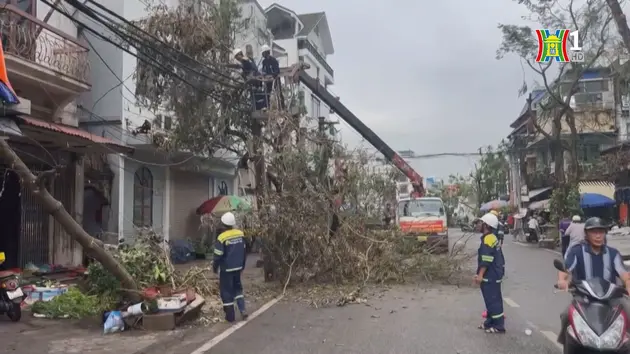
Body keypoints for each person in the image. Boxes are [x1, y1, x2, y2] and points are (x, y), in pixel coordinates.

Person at [556, 216, 630, 343]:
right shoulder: (577, 252)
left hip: (611, 299)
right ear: (586, 234)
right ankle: (567, 344)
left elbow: (625, 276)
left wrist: (628, 286)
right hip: (584, 298)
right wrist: (562, 281)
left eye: (601, 232)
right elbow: (565, 270)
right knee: (565, 315)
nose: (598, 236)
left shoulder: (613, 253)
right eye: (594, 232)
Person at [213, 212, 248, 322]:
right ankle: (242, 310)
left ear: (223, 224)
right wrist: (243, 266)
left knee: (226, 292)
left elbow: (218, 255)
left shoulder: (222, 237)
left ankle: (230, 317)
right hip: (238, 267)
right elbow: (245, 251)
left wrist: (215, 267)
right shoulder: (240, 234)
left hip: (226, 269)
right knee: (238, 289)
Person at [474, 212, 506, 334]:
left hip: (491, 274)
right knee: (490, 299)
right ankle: (490, 322)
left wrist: (480, 275)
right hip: (494, 272)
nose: (478, 225)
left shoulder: (488, 239)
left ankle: (499, 326)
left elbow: (486, 259)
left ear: (486, 225)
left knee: (493, 300)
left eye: (480, 223)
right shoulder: (491, 237)